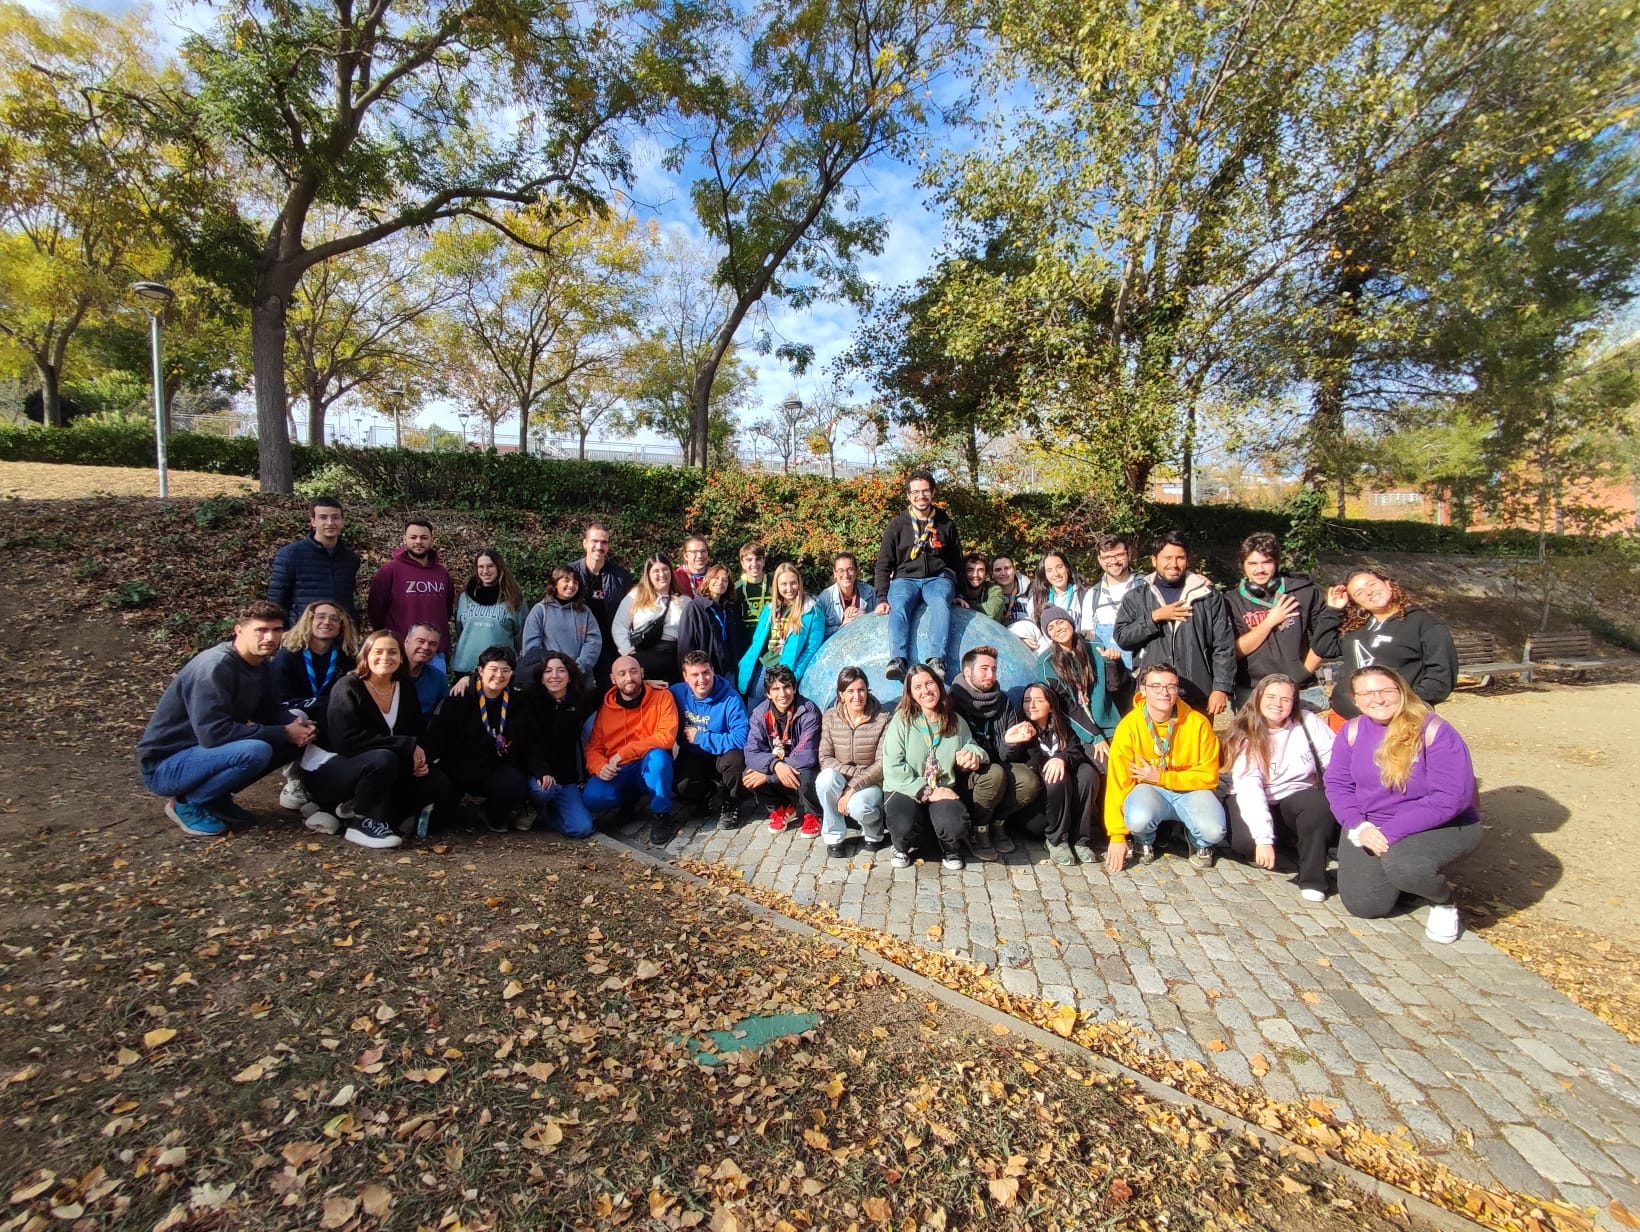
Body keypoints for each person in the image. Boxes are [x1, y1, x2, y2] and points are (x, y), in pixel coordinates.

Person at [1323, 667, 1482, 942]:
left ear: (1401, 691)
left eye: (1386, 690)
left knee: (1405, 865)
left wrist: (1390, 833)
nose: (1378, 699)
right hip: (1371, 824)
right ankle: (1404, 884)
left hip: (1439, 824)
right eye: (1367, 693)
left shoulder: (1434, 730)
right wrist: (1358, 825)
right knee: (1365, 905)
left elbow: (1452, 797)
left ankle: (1442, 901)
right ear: (1356, 700)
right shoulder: (1352, 731)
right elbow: (1338, 784)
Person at [137, 600, 314, 837]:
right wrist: (283, 731)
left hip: (204, 755)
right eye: (261, 630)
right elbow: (213, 734)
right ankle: (188, 804)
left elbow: (269, 711)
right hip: (166, 766)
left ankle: (215, 797)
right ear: (239, 630)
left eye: (276, 630)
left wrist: (297, 726)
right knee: (256, 750)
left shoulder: (261, 663)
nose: (270, 637)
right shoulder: (215, 667)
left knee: (295, 732)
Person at [311, 630, 452, 849]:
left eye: (392, 652)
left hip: (385, 766)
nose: (385, 657)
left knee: (437, 781)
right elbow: (345, 741)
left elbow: (415, 730)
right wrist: (405, 746)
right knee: (383, 758)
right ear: (366, 655)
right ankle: (363, 822)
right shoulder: (348, 686)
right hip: (340, 766)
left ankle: (377, 817)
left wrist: (419, 755)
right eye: (378, 651)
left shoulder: (405, 687)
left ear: (401, 657)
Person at [1101, 662, 1225, 873]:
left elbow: (1209, 776)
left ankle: (1199, 842)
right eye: (1156, 686)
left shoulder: (1198, 723)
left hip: (1191, 791)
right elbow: (1118, 783)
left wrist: (1162, 777)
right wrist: (1117, 836)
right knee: (1138, 819)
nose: (1164, 693)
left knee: (1214, 831)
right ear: (1143, 689)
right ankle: (1144, 840)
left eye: (1171, 686)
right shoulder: (1128, 727)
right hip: (1149, 791)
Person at [1223, 674, 1338, 901]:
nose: (1277, 704)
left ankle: (1313, 879)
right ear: (1258, 698)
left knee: (1318, 806)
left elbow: (1334, 762)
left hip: (1297, 795)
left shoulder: (1308, 722)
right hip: (1257, 797)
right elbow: (1250, 789)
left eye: (1285, 699)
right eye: (1271, 697)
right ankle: (1283, 840)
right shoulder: (1245, 733)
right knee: (1245, 844)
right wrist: (1263, 839)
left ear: (1294, 702)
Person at [1114, 531, 1236, 715]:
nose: (1174, 564)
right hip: (1153, 694)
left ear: (1187, 560)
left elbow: (1224, 645)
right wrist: (1153, 618)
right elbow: (1123, 638)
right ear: (1154, 560)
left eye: (1180, 558)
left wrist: (1221, 687)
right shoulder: (1136, 597)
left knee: (1196, 735)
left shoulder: (1207, 596)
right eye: (1167, 558)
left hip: (1197, 693)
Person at [881, 664, 987, 871]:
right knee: (903, 823)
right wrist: (926, 791)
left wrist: (972, 754)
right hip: (905, 788)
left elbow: (972, 745)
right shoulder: (902, 721)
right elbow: (892, 767)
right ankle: (901, 847)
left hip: (943, 787)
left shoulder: (955, 721)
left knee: (954, 823)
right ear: (911, 694)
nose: (926, 690)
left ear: (938, 685)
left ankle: (950, 848)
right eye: (917, 687)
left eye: (929, 683)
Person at [427, 645, 542, 833]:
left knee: (513, 783)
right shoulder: (460, 697)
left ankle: (491, 813)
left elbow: (530, 740)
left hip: (493, 766)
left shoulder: (518, 701)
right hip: (459, 767)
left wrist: (541, 770)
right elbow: (439, 737)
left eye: (505, 670)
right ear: (480, 671)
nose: (499, 675)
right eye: (493, 669)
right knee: (436, 825)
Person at [1323, 569, 1458, 721]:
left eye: (1372, 584)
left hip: (1397, 719)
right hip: (1345, 716)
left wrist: (1406, 705)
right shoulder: (1357, 626)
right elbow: (1325, 648)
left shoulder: (1423, 623)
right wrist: (1333, 611)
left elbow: (1441, 675)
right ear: (1355, 602)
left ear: (1388, 584)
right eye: (1359, 593)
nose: (1369, 592)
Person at [1224, 533, 1340, 709]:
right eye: (1252, 564)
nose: (1260, 569)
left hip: (1301, 688)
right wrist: (1270, 621)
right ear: (1243, 567)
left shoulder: (1304, 592)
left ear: (1276, 563)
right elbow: (1234, 651)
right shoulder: (1231, 601)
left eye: (1267, 562)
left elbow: (1324, 637)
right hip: (1252, 690)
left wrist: (1304, 672)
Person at [949, 644, 1041, 860]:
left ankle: (997, 822)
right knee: (994, 774)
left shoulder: (1003, 702)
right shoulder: (952, 703)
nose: (990, 674)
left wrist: (1010, 742)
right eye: (984, 669)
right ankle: (978, 829)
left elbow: (1009, 758)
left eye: (993, 669)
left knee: (1028, 780)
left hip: (996, 768)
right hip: (965, 777)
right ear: (967, 672)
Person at [268, 598, 360, 811]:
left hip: (328, 713)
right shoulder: (288, 655)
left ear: (342, 626)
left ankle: (329, 778)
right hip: (295, 712)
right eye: (320, 617)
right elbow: (279, 701)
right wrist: (317, 703)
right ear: (308, 621)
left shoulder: (345, 657)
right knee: (299, 717)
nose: (327, 622)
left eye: (334, 619)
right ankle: (294, 779)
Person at [873, 471, 963, 681]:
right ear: (908, 495)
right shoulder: (896, 526)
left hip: (937, 578)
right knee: (900, 604)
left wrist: (960, 593)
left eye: (925, 491)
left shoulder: (946, 524)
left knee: (940, 602)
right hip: (905, 578)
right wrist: (882, 598)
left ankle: (936, 659)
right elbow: (883, 564)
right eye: (915, 492)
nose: (920, 496)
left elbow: (957, 562)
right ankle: (898, 659)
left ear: (933, 493)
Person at [583, 655, 678, 845]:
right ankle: (628, 802)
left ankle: (661, 814)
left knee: (659, 759)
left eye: (633, 671)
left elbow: (666, 737)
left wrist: (625, 752)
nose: (629, 678)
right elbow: (594, 747)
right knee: (592, 798)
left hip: (647, 764)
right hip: (619, 769)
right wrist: (600, 766)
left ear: (642, 672)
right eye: (622, 674)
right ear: (613, 679)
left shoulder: (662, 697)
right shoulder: (606, 709)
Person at [1003, 682, 1099, 867]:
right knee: (1055, 775)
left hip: (1064, 805)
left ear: (1051, 706)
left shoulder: (1061, 727)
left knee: (1087, 772)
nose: (1031, 705)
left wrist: (1060, 758)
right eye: (1027, 700)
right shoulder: (1021, 729)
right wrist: (1018, 741)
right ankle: (1056, 840)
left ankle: (1080, 839)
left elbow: (1076, 750)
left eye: (1039, 701)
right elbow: (1009, 757)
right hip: (1038, 813)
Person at [518, 650, 596, 838]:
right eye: (548, 671)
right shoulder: (528, 700)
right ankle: (530, 806)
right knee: (544, 791)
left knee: (582, 828)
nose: (554, 676)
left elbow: (616, 690)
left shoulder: (580, 700)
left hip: (566, 778)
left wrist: (646, 683)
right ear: (541, 678)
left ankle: (546, 816)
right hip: (537, 773)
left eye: (561, 670)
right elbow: (530, 743)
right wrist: (468, 680)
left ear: (569, 676)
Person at [670, 651, 751, 832]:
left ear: (712, 671)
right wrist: (650, 683)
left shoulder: (731, 698)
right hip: (694, 754)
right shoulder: (676, 693)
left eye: (705, 672)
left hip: (724, 755)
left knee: (736, 760)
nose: (702, 679)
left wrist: (701, 737)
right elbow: (649, 695)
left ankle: (731, 802)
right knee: (680, 787)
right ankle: (706, 792)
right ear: (685, 677)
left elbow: (741, 739)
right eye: (695, 675)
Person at [816, 666, 891, 858]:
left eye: (861, 690)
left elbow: (881, 764)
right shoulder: (830, 717)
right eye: (850, 691)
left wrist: (852, 787)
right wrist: (851, 777)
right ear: (841, 694)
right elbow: (825, 758)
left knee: (859, 806)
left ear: (867, 691)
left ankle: (874, 832)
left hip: (871, 782)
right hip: (841, 777)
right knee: (825, 779)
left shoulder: (883, 719)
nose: (857, 696)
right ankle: (834, 835)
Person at [742, 665, 823, 835]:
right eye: (775, 689)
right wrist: (776, 766)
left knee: (806, 774)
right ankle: (781, 807)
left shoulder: (808, 711)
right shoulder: (759, 713)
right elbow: (752, 752)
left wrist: (769, 775)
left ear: (794, 688)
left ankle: (813, 814)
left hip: (801, 767)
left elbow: (807, 754)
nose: (782, 694)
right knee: (749, 775)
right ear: (768, 694)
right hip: (778, 764)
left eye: (786, 687)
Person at [367, 519, 455, 668]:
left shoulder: (441, 573)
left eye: (424, 537)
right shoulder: (390, 571)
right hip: (401, 652)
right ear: (404, 539)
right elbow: (376, 611)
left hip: (434, 654)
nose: (418, 542)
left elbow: (447, 609)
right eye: (413, 537)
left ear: (432, 540)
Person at [1034, 606, 1120, 756]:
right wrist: (1095, 737)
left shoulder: (1096, 649)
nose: (1057, 629)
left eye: (1060, 622)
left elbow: (1116, 687)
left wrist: (1112, 663)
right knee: (1110, 764)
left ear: (1070, 622)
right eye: (1051, 628)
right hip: (1082, 734)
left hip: (1112, 726)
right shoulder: (1046, 663)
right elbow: (1064, 705)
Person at [267, 496, 360, 625]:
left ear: (342, 521)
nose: (330, 523)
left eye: (335, 517)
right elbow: (276, 601)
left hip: (339, 630)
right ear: (313, 521)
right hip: (302, 631)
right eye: (323, 517)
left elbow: (348, 600)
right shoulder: (290, 555)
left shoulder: (350, 559)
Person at [738, 562, 824, 703]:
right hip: (764, 665)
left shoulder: (811, 610)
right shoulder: (769, 609)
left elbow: (811, 648)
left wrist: (794, 674)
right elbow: (757, 641)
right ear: (777, 586)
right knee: (754, 711)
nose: (789, 588)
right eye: (784, 584)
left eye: (793, 583)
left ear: (799, 583)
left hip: (787, 668)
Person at [568, 522, 633, 685]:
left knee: (607, 690)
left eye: (604, 542)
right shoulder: (569, 574)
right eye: (594, 541)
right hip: (577, 646)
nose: (599, 546)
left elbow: (631, 613)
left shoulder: (620, 577)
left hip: (610, 647)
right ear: (585, 543)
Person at [612, 554, 685, 684]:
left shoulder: (684, 600)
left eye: (665, 569)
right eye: (656, 571)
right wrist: (629, 654)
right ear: (648, 575)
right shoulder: (636, 596)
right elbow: (619, 625)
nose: (662, 574)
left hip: (674, 658)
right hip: (644, 657)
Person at [521, 566, 603, 682]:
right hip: (550, 680)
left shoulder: (584, 612)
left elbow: (593, 642)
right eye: (566, 580)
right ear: (555, 583)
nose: (571, 585)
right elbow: (532, 648)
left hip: (580, 679)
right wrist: (552, 671)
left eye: (575, 582)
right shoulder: (540, 610)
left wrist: (577, 669)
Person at [451, 547, 525, 674]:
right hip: (465, 667)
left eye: (490, 566)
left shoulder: (514, 599)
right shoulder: (465, 597)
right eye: (481, 567)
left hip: (499, 670)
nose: (485, 571)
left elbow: (520, 636)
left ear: (499, 568)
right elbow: (459, 630)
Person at [677, 564, 748, 681]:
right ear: (708, 580)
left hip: (729, 672)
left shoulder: (729, 608)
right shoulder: (694, 608)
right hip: (705, 674)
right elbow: (685, 646)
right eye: (716, 578)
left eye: (725, 580)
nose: (720, 582)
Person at [1084, 534, 1138, 671]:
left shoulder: (1145, 586)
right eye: (1107, 557)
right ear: (1100, 560)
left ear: (1129, 553)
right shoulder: (1092, 595)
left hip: (1145, 670)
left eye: (1119, 555)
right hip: (1111, 673)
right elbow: (1089, 637)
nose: (1114, 561)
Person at [815, 552, 876, 640]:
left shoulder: (871, 593)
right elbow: (817, 635)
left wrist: (865, 616)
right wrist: (843, 627)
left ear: (856, 571)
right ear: (835, 573)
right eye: (841, 570)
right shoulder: (824, 599)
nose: (846, 575)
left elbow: (883, 621)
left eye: (850, 569)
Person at [1029, 551, 1084, 637]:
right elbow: (1033, 630)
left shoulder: (1084, 594)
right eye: (1049, 570)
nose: (1056, 573)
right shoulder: (1037, 599)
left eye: (1059, 567)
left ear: (1067, 568)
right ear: (1045, 574)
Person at [402, 624, 448, 717]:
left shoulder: (438, 678)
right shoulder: (390, 672)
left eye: (433, 644)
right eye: (420, 641)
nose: (426, 647)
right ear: (407, 642)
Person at [992, 555, 1037, 648]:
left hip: (1035, 634)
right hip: (1008, 641)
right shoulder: (989, 596)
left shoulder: (1032, 589)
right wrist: (1018, 639)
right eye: (998, 570)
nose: (1003, 573)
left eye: (1007, 568)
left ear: (1014, 569)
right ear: (992, 574)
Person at [736, 542, 773, 645]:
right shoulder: (736, 589)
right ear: (742, 563)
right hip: (746, 645)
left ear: (764, 561)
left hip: (772, 646)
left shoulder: (775, 584)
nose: (754, 564)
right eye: (749, 560)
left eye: (758, 559)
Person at [960, 554, 1006, 622]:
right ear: (964, 573)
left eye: (980, 570)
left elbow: (992, 613)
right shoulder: (957, 588)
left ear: (986, 574)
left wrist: (966, 604)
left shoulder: (994, 589)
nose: (975, 575)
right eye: (970, 570)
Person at [673, 535, 712, 599]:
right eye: (694, 552)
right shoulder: (676, 577)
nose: (700, 556)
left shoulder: (715, 575)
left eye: (703, 551)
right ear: (686, 556)